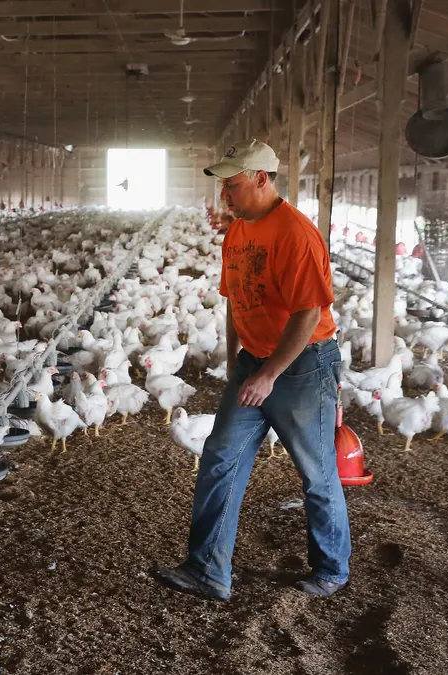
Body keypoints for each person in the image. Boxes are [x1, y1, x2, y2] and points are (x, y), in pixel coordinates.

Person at [153, 140, 351, 600]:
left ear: (262, 179)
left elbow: (307, 312)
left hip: (302, 366)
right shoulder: (239, 231)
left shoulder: (296, 233)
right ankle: (207, 570)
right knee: (220, 457)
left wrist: (269, 374)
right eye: (224, 185)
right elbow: (234, 301)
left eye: (234, 185)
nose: (226, 195)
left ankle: (331, 569)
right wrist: (235, 359)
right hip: (253, 361)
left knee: (316, 471)